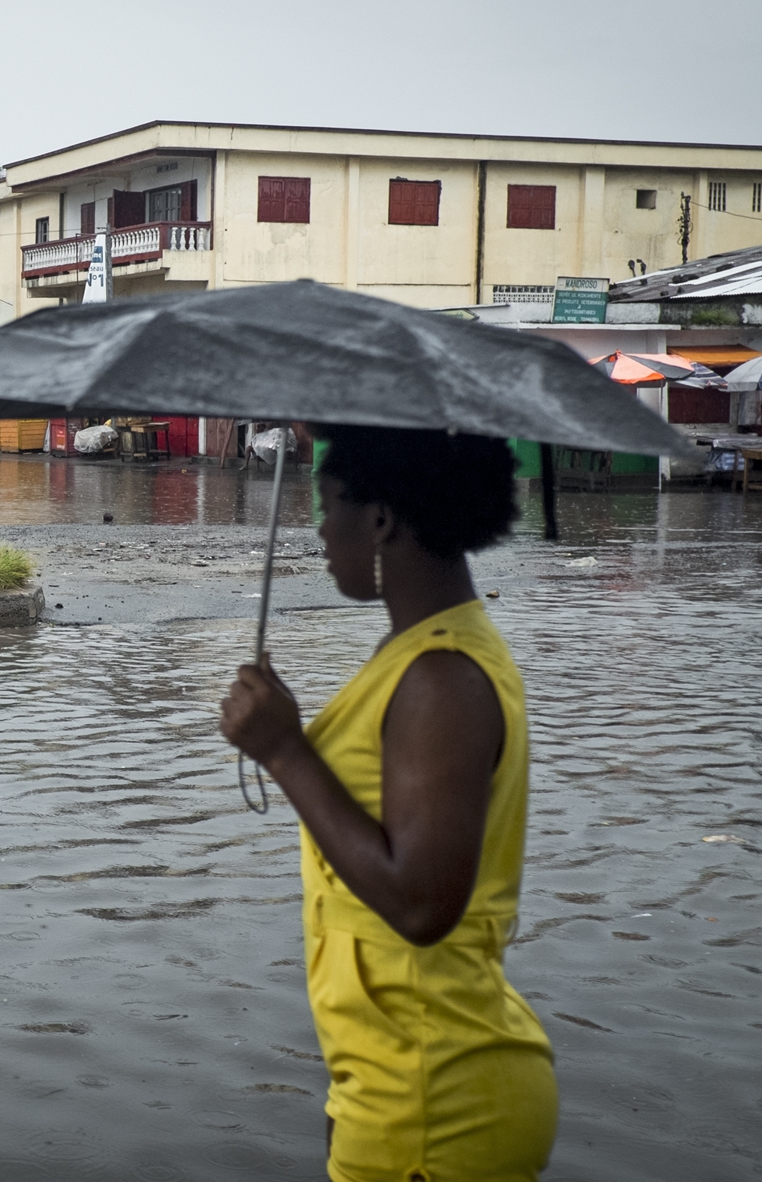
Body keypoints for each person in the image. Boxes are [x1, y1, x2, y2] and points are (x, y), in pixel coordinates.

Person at [219, 425, 556, 1182]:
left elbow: (420, 902)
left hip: (436, 1101)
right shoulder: (422, 652)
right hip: (404, 1088)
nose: (319, 530)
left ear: (379, 519)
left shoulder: (442, 677)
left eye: (329, 504)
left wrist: (285, 752)